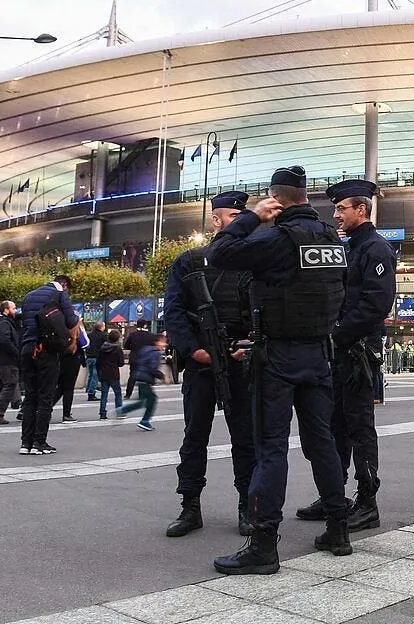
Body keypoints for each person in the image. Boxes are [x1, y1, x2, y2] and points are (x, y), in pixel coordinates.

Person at [207, 165, 352, 575]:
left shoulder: (276, 238)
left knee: (271, 447)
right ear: (306, 197)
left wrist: (253, 216)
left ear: (276, 198)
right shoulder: (330, 238)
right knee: (321, 441)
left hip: (279, 355)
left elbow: (219, 254)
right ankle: (338, 530)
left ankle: (264, 545)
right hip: (319, 353)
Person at [298, 179, 395, 533]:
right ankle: (333, 496)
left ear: (361, 210)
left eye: (341, 208)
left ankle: (367, 502)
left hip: (358, 352)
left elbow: (375, 305)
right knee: (333, 424)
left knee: (358, 426)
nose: (336, 214)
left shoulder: (376, 249)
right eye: (335, 208)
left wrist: (337, 335)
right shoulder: (351, 247)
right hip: (339, 352)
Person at [161, 190, 258, 539]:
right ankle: (189, 506)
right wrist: (194, 351)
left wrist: (247, 346)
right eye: (233, 216)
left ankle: (248, 506)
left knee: (246, 439)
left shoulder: (254, 261)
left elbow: (263, 312)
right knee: (194, 437)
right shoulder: (190, 261)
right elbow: (173, 311)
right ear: (215, 220)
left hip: (241, 363)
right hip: (202, 362)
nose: (240, 222)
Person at [18, 274, 79, 456]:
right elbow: (71, 321)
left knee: (30, 397)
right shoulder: (60, 295)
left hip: (27, 349)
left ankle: (25, 443)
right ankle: (39, 442)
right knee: (46, 397)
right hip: (46, 351)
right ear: (64, 285)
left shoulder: (29, 296)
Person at [115, 333, 165, 430]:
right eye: (162, 342)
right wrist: (162, 376)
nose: (164, 344)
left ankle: (128, 412)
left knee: (143, 401)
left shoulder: (146, 349)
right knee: (151, 399)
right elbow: (152, 368)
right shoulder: (156, 353)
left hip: (139, 377)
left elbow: (140, 362)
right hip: (146, 379)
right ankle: (143, 420)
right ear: (156, 342)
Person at [0, 301, 21, 425]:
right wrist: (16, 353)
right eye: (14, 308)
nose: (16, 310)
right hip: (5, 359)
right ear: (6, 310)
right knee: (10, 385)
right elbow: (5, 340)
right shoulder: (4, 323)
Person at [53, 322, 88, 422]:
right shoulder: (75, 327)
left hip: (60, 359)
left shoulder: (59, 326)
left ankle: (46, 408)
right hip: (72, 359)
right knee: (68, 388)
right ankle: (66, 414)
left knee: (60, 387)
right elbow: (85, 343)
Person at [85, 321, 106, 401]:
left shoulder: (89, 334)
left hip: (89, 357)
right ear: (101, 327)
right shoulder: (103, 335)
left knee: (91, 375)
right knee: (95, 376)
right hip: (97, 357)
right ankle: (91, 393)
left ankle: (88, 388)